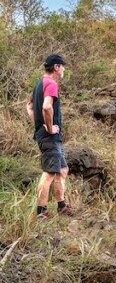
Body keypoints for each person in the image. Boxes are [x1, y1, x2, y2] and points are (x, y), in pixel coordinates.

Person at [25, 54, 73, 219]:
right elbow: (46, 107)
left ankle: (61, 205)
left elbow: (29, 107)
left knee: (62, 169)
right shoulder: (51, 83)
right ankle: (41, 212)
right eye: (63, 66)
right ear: (56, 67)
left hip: (46, 135)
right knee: (49, 173)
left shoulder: (40, 84)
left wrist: (39, 124)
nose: (64, 69)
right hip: (50, 137)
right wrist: (50, 127)